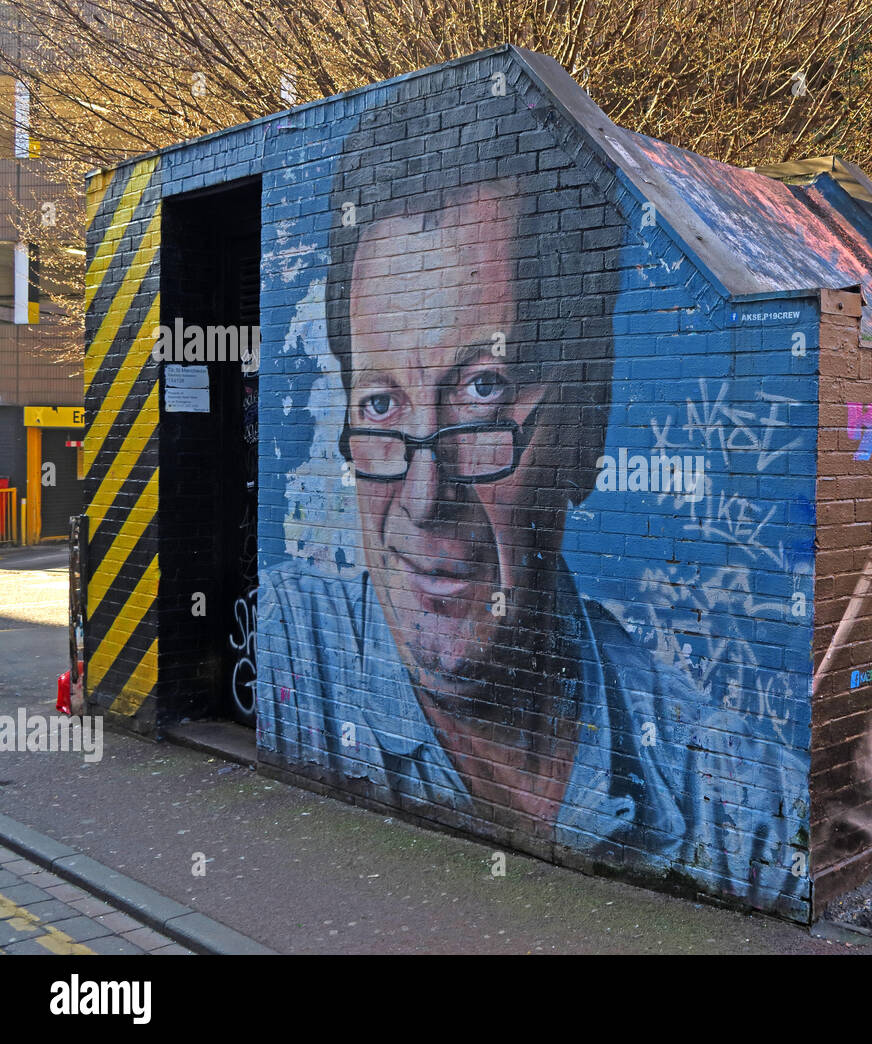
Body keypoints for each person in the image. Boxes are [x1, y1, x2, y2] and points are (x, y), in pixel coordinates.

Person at [257, 173, 805, 913]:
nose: (425, 498)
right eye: (380, 403)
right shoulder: (281, 646)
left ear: (587, 426)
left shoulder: (750, 815)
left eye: (483, 389)